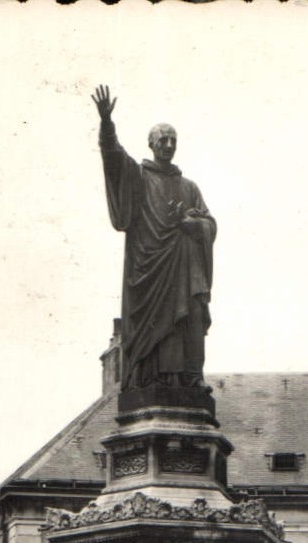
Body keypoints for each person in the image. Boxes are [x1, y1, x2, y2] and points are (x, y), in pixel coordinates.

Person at [93, 85, 216, 392]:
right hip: (150, 273)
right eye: (163, 139)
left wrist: (189, 223)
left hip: (185, 274)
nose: (169, 144)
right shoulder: (139, 178)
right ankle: (152, 379)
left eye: (173, 140)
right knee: (156, 330)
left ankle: (191, 378)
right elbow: (113, 158)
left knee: (190, 318)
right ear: (151, 144)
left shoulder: (189, 188)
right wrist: (107, 124)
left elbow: (209, 224)